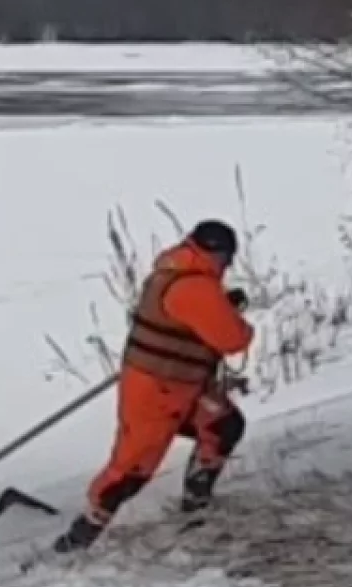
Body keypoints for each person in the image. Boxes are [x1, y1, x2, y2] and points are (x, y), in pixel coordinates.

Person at [53, 219, 255, 553]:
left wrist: (223, 306)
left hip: (180, 386)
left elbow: (188, 322)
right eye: (227, 258)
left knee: (223, 425)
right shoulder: (195, 288)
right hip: (158, 392)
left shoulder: (173, 272)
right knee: (131, 469)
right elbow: (234, 339)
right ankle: (77, 541)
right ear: (216, 254)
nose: (228, 266)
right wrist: (235, 319)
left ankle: (197, 505)